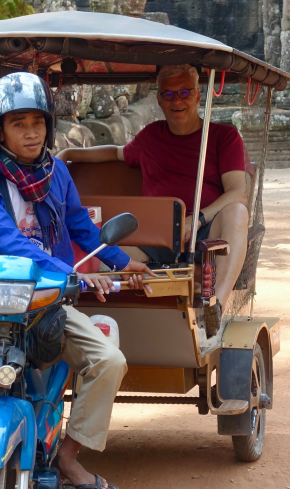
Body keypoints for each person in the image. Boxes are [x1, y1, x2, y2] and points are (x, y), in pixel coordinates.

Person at [0, 72, 154, 489]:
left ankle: (68, 454)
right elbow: (10, 243)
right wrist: (76, 274)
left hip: (50, 304)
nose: (31, 132)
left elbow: (81, 224)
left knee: (109, 361)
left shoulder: (57, 172)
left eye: (38, 122)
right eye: (18, 123)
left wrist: (122, 262)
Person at [56, 64, 249, 336]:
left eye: (184, 92)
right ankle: (79, 318)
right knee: (97, 251)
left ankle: (215, 304)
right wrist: (67, 155)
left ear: (197, 96)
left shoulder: (223, 137)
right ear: (159, 100)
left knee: (238, 212)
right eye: (168, 95)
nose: (176, 101)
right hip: (154, 237)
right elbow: (115, 153)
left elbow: (237, 192)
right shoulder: (150, 137)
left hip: (206, 231)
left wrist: (197, 219)